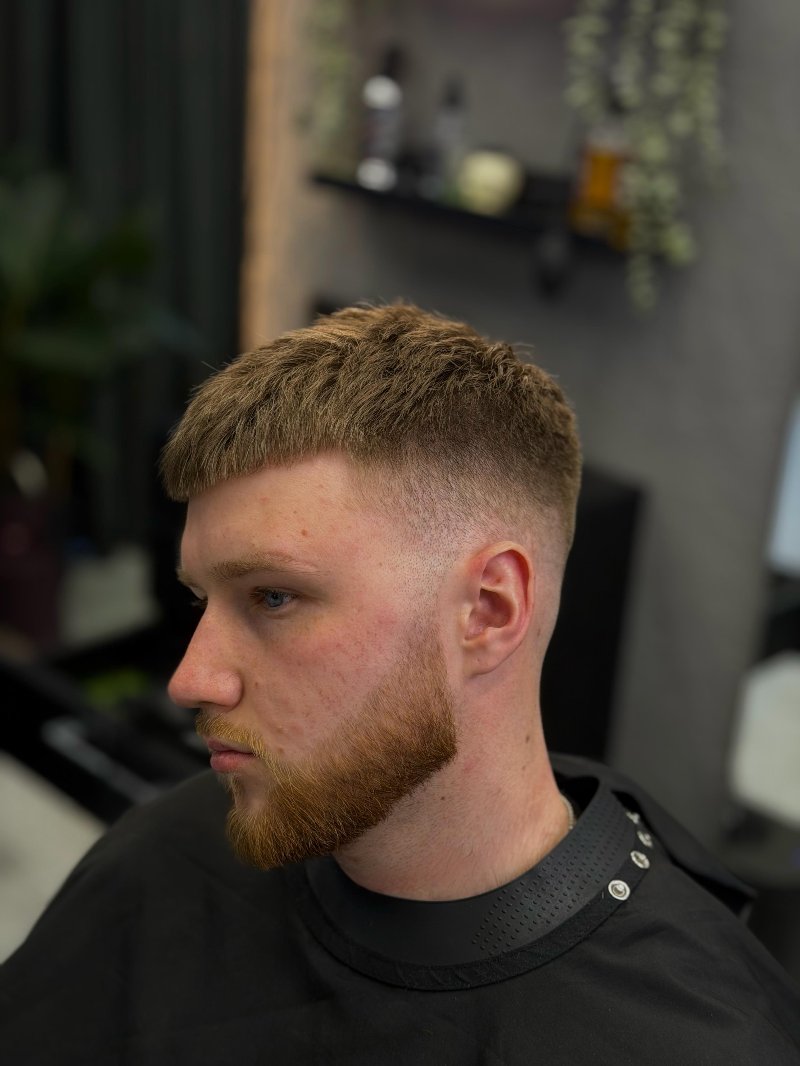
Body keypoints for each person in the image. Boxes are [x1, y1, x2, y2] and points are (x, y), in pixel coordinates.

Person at [2, 303, 799, 1064]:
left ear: (488, 611)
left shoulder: (701, 1043)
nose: (190, 679)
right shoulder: (168, 857)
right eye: (200, 600)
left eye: (273, 597)